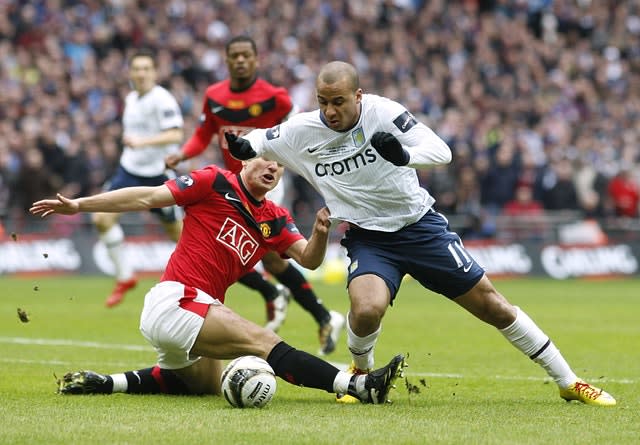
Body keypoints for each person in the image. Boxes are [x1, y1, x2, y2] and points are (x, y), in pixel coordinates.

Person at [224, 61, 616, 407]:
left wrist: (403, 155)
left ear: (358, 96)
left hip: (420, 228)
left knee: (494, 306)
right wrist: (243, 146)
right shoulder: (303, 130)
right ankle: (361, 379)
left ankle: (569, 381)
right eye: (323, 101)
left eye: (338, 101)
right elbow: (260, 140)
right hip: (369, 237)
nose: (330, 110)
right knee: (365, 309)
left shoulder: (384, 113)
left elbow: (441, 151)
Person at [30, 157, 404, 403]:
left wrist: (321, 230)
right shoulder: (213, 182)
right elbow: (147, 197)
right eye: (264, 158)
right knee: (264, 341)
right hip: (175, 299)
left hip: (194, 313)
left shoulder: (274, 217)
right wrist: (80, 205)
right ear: (245, 159)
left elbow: (308, 258)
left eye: (279, 164)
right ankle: (357, 386)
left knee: (199, 386)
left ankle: (107, 382)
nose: (272, 167)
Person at [165, 35, 344, 355]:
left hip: (267, 179)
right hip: (235, 182)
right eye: (235, 56)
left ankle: (286, 300)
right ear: (227, 60)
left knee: (263, 252)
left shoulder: (275, 98)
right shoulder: (214, 96)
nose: (241, 61)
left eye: (246, 55)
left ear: (256, 60)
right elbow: (204, 134)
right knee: (262, 257)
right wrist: (182, 154)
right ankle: (316, 312)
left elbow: (302, 128)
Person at [94, 49, 185, 308]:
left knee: (178, 236)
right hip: (128, 171)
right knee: (101, 219)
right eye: (137, 69)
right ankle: (125, 277)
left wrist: (142, 142)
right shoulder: (132, 98)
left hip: (157, 175)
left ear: (154, 72)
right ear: (130, 73)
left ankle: (198, 279)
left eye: (146, 68)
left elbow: (176, 134)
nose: (141, 73)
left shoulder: (162, 99)